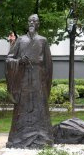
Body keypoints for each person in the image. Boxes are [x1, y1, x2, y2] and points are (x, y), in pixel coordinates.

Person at [5, 14, 53, 148]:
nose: (32, 23)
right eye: (30, 21)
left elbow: (48, 64)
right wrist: (19, 61)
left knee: (40, 105)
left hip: (38, 78)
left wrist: (46, 81)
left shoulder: (43, 40)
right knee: (22, 105)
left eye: (34, 21)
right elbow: (8, 59)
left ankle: (42, 136)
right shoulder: (20, 40)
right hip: (23, 77)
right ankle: (18, 138)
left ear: (38, 24)